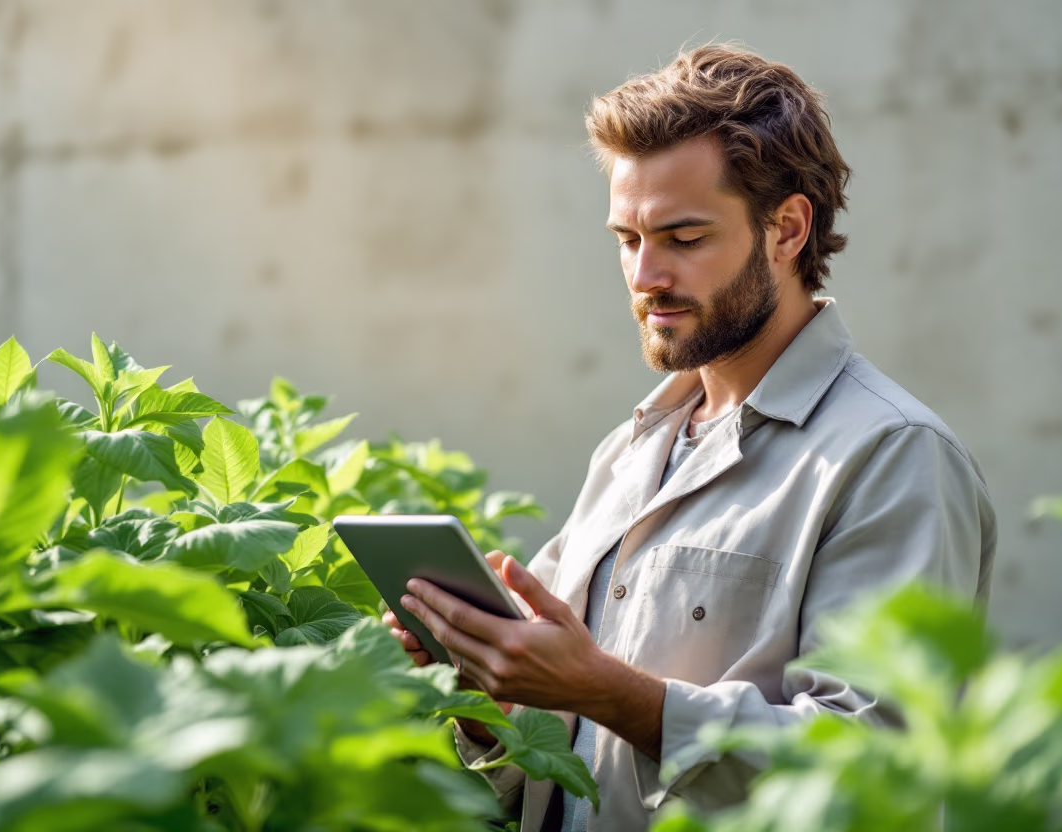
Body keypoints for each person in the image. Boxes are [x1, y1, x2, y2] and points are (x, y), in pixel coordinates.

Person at [383, 44, 996, 831]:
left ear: (787, 229)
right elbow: (566, 778)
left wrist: (611, 692)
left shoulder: (895, 457)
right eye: (628, 239)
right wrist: (490, 702)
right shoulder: (631, 449)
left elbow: (877, 771)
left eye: (683, 237)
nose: (646, 278)